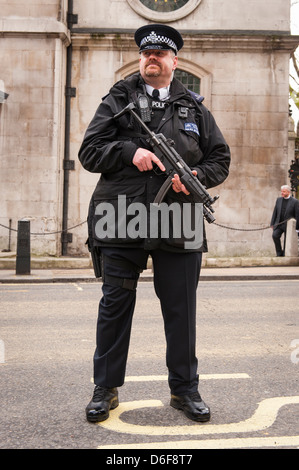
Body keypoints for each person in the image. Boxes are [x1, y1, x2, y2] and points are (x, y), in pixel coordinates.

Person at [78, 24, 230, 424]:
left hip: (178, 218)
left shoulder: (194, 108)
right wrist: (130, 151)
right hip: (123, 217)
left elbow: (220, 160)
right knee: (115, 305)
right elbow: (89, 152)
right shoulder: (117, 98)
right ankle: (105, 389)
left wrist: (197, 176)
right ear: (140, 58)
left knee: (181, 310)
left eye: (160, 54)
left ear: (173, 62)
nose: (152, 58)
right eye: (146, 52)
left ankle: (185, 390)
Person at [270, 185, 299, 256]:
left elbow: (297, 215)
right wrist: (272, 223)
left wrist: (297, 227)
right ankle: (279, 253)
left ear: (288, 192)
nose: (282, 193)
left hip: (288, 225)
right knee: (275, 236)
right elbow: (275, 212)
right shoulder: (278, 200)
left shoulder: (295, 201)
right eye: (281, 191)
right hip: (279, 224)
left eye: (284, 191)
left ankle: (284, 254)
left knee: (286, 240)